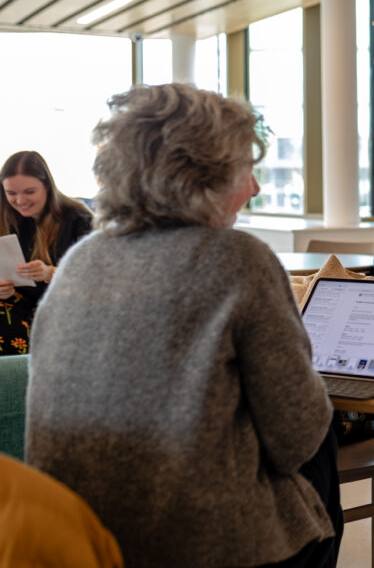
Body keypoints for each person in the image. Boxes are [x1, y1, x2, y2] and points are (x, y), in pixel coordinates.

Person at [25, 83, 342, 568]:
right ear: (204, 174)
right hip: (199, 544)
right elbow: (295, 437)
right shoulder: (240, 260)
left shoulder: (78, 262)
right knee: (322, 439)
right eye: (247, 170)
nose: (255, 189)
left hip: (78, 536)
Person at [0, 151, 92, 356]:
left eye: (29, 192)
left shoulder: (78, 219)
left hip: (63, 307)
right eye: (11, 193)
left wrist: (50, 273)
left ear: (47, 187)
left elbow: (97, 280)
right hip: (18, 304)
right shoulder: (6, 216)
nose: (20, 201)